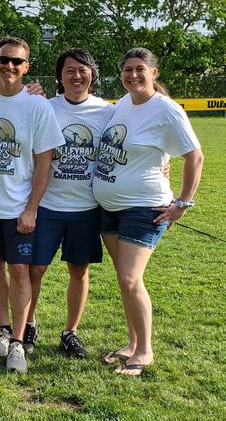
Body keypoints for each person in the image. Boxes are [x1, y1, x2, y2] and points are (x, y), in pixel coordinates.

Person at [93, 47, 203, 377]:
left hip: (143, 208)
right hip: (109, 208)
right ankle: (131, 344)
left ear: (154, 73)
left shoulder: (167, 110)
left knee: (130, 278)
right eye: (127, 70)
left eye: (140, 69)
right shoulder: (122, 105)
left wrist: (182, 203)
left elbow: (195, 157)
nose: (133, 75)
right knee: (126, 280)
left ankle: (145, 352)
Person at [0, 36, 64, 373]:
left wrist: (31, 209)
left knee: (19, 270)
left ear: (27, 67)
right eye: (4, 60)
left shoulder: (37, 106)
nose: (9, 66)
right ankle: (4, 331)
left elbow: (45, 163)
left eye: (17, 61)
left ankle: (19, 342)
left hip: (18, 207)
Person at [26, 49, 115, 358]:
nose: (77, 76)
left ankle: (70, 332)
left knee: (79, 269)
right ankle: (28, 324)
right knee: (35, 269)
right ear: (60, 77)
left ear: (92, 73)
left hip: (86, 208)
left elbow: (131, 141)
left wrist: (163, 166)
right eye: (70, 70)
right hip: (47, 205)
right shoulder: (45, 107)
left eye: (83, 69)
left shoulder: (108, 112)